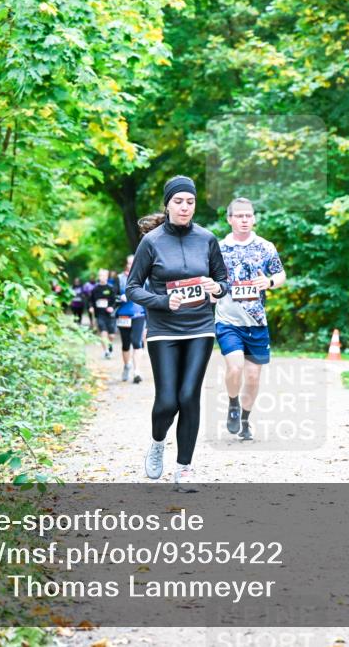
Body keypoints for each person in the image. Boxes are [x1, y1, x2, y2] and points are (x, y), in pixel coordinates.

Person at [126, 175, 229, 489]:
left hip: (199, 326)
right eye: (179, 201)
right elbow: (132, 288)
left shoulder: (207, 239)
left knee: (189, 396)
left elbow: (223, 282)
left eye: (190, 201)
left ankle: (184, 468)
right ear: (168, 204)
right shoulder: (152, 241)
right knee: (168, 401)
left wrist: (217, 288)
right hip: (163, 329)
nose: (185, 207)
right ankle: (158, 443)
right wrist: (162, 301)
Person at [215, 197, 286, 441]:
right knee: (234, 367)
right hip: (228, 320)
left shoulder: (265, 247)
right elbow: (210, 278)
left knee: (253, 377)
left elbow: (280, 273)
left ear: (254, 218)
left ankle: (245, 419)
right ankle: (233, 404)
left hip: (256, 322)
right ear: (230, 219)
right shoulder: (218, 248)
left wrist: (269, 282)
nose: (245, 220)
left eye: (248, 216)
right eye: (239, 216)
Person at [116, 254, 147, 383]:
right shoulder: (119, 278)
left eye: (133, 262)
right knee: (125, 344)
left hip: (139, 314)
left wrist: (149, 322)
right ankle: (126, 366)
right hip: (123, 314)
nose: (131, 265)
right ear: (126, 264)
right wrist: (119, 297)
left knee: (137, 342)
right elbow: (111, 295)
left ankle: (137, 372)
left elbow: (149, 296)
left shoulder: (144, 277)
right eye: (129, 263)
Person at [91, 269, 117, 359]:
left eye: (104, 275)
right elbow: (91, 300)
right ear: (99, 277)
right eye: (100, 275)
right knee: (103, 333)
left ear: (107, 276)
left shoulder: (110, 288)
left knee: (112, 336)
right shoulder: (95, 289)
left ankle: (109, 345)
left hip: (110, 315)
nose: (102, 277)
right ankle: (106, 351)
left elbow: (115, 301)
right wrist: (91, 307)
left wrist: (112, 307)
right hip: (100, 315)